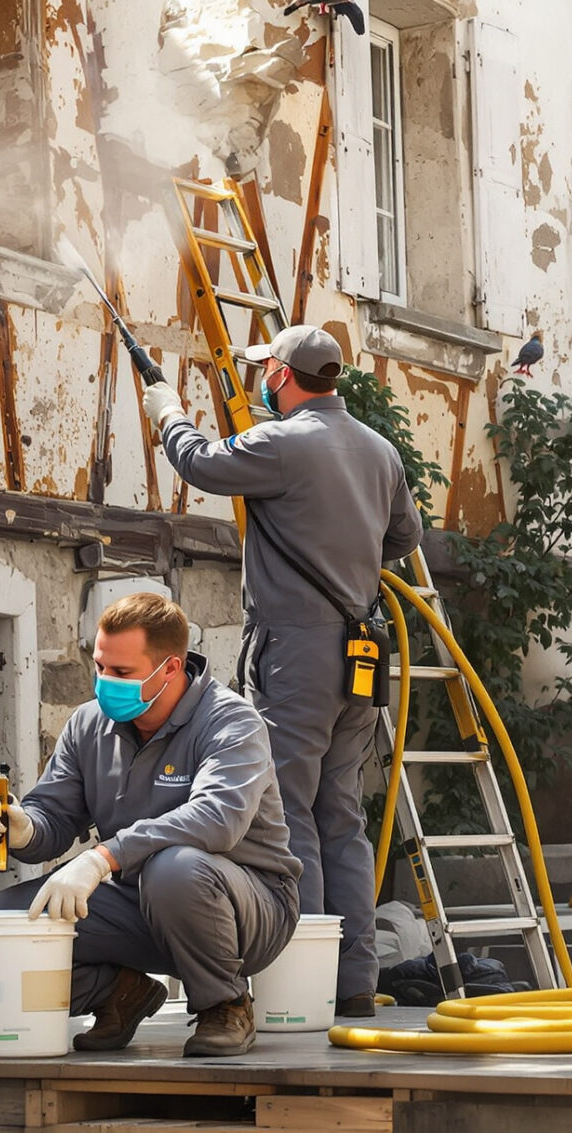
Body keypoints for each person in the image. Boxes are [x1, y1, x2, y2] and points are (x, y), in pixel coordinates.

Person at [140, 325, 421, 1018]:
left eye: (265, 367)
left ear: (286, 377)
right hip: (358, 654)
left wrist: (167, 411)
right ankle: (353, 980)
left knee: (290, 814)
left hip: (295, 652)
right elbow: (405, 537)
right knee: (342, 815)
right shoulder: (380, 450)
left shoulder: (284, 442)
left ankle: (306, 986)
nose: (261, 377)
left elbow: (202, 462)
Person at [0, 593, 300, 1057]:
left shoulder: (231, 722)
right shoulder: (88, 725)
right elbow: (55, 816)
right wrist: (19, 824)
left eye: (122, 673)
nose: (105, 682)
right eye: (100, 667)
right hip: (132, 899)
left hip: (245, 906)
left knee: (174, 869)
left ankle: (225, 1004)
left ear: (170, 668)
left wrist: (102, 857)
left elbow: (217, 820)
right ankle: (119, 994)